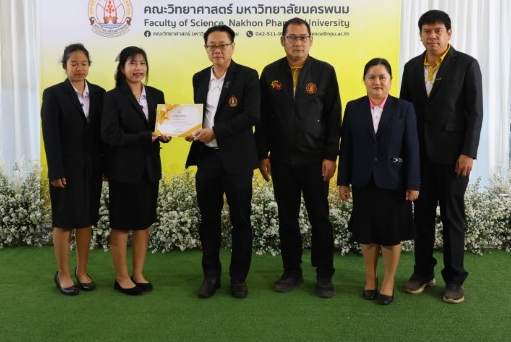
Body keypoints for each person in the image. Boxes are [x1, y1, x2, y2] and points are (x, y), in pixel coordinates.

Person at [400, 9, 483, 304]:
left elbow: (475, 113)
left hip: (453, 159)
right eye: (427, 31)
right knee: (421, 217)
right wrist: (405, 156)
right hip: (420, 158)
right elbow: (404, 113)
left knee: (452, 218)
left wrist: (468, 152)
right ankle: (423, 272)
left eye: (438, 31)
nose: (432, 36)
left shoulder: (466, 64)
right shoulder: (411, 67)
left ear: (449, 33)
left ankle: (455, 279)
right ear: (420, 35)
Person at [255, 17, 341, 298]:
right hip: (281, 160)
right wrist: (262, 154)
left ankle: (324, 274)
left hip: (316, 160)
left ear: (311, 40)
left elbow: (333, 117)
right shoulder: (270, 72)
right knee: (287, 219)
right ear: (282, 41)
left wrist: (330, 155)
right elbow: (262, 118)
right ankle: (292, 271)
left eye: (303, 37)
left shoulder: (325, 71)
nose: (298, 43)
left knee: (320, 219)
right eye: (292, 37)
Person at [185, 25, 260, 299]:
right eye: (212, 46)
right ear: (206, 48)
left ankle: (238, 278)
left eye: (222, 45)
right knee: (208, 220)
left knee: (241, 219)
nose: (217, 50)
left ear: (232, 47)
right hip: (207, 158)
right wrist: (191, 131)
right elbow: (199, 116)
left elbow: (251, 115)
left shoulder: (248, 76)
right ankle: (211, 276)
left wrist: (215, 132)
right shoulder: (199, 77)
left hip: (237, 160)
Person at [338, 58, 420, 306]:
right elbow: (347, 147)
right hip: (363, 181)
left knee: (391, 235)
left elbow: (412, 147)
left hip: (394, 182)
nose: (377, 82)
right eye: (371, 77)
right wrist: (343, 181)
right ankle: (371, 278)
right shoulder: (353, 108)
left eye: (382, 77)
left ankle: (388, 281)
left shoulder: (404, 108)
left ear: (390, 80)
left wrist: (413, 183)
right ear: (364, 80)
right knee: (368, 234)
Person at [101, 46, 170, 296]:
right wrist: (144, 137)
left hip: (149, 169)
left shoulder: (156, 94)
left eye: (142, 63)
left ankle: (138, 273)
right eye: (132, 63)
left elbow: (161, 127)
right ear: (122, 68)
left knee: (143, 223)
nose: (138, 68)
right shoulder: (112, 97)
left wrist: (165, 135)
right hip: (123, 169)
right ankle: (121, 277)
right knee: (121, 224)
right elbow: (109, 135)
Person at [41, 43, 105, 296]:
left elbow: (102, 135)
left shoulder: (99, 94)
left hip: (92, 169)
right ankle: (63, 273)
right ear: (64, 66)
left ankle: (82, 270)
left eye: (84, 63)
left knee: (86, 220)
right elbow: (50, 136)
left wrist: (105, 166)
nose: (79, 68)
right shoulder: (54, 94)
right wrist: (55, 170)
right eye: (74, 63)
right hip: (65, 170)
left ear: (89, 65)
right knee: (64, 221)